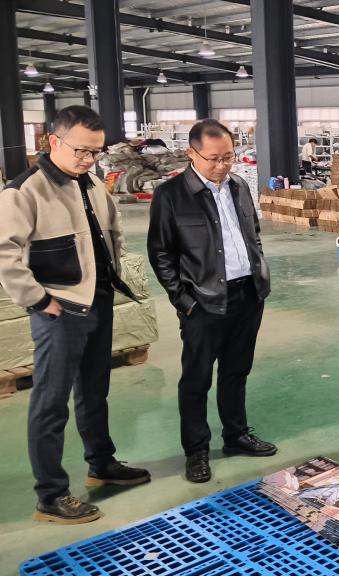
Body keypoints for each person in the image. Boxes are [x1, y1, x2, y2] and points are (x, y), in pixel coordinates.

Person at [0, 105, 150, 524]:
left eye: (96, 152)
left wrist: (112, 278)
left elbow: (112, 233)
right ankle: (50, 496)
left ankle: (101, 463)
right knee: (50, 403)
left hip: (96, 301)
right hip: (59, 310)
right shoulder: (23, 191)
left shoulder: (92, 183)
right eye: (81, 150)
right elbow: (5, 254)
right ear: (54, 141)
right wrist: (38, 300)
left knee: (94, 390)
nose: (88, 159)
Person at [148, 119, 275, 484]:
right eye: (213, 159)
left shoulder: (238, 186)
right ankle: (196, 451)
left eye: (228, 157)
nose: (222, 166)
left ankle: (236, 436)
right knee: (196, 380)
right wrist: (184, 300)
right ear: (192, 153)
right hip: (203, 303)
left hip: (247, 296)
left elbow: (253, 234)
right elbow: (161, 254)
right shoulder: (171, 195)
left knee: (236, 372)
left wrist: (259, 275)